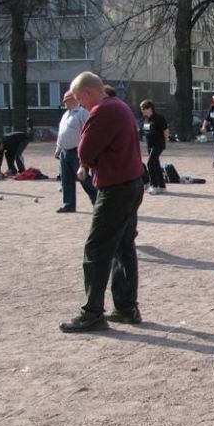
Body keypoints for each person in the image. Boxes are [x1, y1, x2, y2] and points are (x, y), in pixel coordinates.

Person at [59, 71, 144, 332]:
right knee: (123, 247)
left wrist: (88, 161)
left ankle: (93, 312)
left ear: (87, 92)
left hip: (115, 188)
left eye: (79, 99)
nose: (80, 105)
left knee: (96, 249)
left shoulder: (103, 111)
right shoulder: (120, 107)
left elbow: (84, 151)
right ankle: (126, 307)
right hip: (131, 184)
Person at [54, 91, 97, 212]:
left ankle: (96, 199)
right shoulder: (65, 115)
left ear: (73, 100)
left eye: (67, 101)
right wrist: (58, 149)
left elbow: (88, 131)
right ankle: (69, 204)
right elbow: (61, 133)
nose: (65, 103)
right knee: (66, 178)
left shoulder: (82, 113)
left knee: (83, 177)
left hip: (76, 150)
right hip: (65, 151)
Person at [140, 100, 169, 195]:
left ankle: (154, 185)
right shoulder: (146, 120)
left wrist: (165, 141)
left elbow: (165, 131)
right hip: (150, 145)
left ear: (149, 108)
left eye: (143, 109)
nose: (142, 111)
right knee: (156, 163)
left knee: (150, 163)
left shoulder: (159, 118)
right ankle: (162, 186)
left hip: (158, 144)